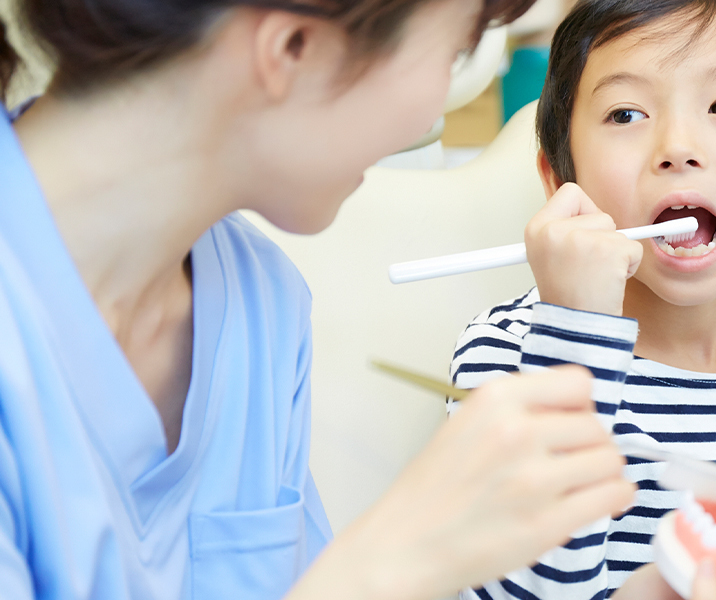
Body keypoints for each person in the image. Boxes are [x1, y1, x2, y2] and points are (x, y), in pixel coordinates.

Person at [0, 0, 642, 598]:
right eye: (450, 53)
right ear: (293, 47)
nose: (427, 117)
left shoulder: (259, 303)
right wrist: (399, 555)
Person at [448, 0, 716, 599]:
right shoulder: (508, 356)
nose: (678, 146)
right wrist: (576, 337)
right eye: (626, 113)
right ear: (560, 181)